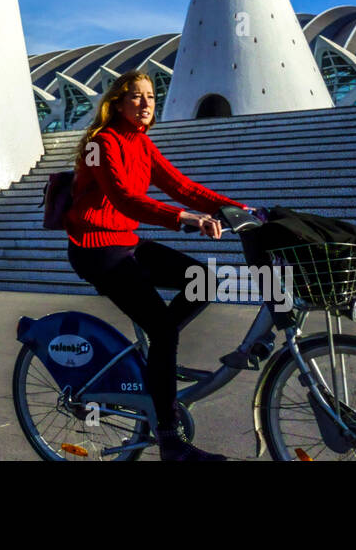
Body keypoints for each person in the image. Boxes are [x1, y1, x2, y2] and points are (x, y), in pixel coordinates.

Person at [64, 69, 250, 461]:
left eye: (151, 96)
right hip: (97, 249)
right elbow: (124, 199)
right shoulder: (101, 144)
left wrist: (238, 209)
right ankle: (169, 440)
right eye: (136, 96)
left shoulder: (142, 144)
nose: (146, 103)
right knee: (164, 330)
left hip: (127, 242)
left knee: (203, 280)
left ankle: (158, 355)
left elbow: (181, 186)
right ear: (117, 102)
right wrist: (183, 218)